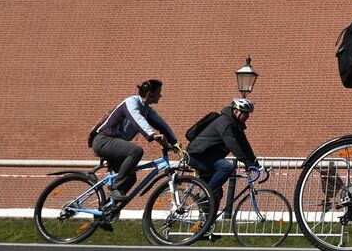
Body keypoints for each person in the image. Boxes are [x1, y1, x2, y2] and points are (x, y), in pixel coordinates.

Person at [88, 79, 178, 228]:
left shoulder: (146, 108)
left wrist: (174, 143)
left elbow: (161, 124)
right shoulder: (131, 102)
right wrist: (152, 135)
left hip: (116, 145)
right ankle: (115, 188)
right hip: (104, 140)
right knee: (136, 150)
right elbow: (137, 119)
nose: (160, 96)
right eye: (158, 93)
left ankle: (105, 213)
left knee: (130, 178)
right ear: (150, 94)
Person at [186, 97, 262, 235]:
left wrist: (255, 163)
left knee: (217, 193)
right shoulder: (225, 122)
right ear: (237, 111)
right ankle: (204, 194)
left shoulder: (235, 126)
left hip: (208, 158)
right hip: (197, 156)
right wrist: (245, 161)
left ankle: (203, 229)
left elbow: (244, 144)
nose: (247, 117)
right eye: (246, 114)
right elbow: (231, 143)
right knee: (226, 167)